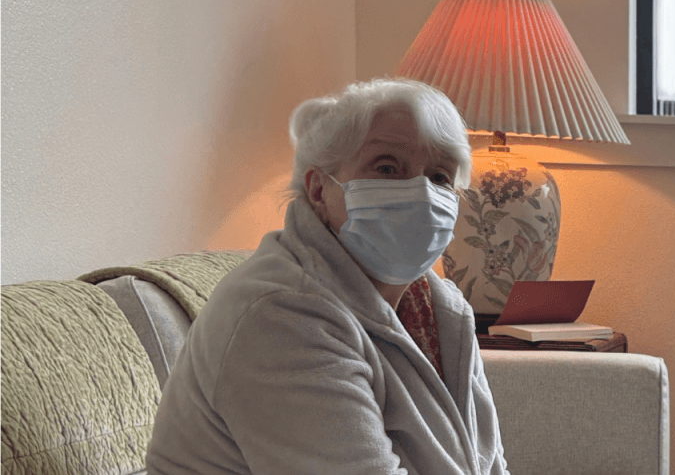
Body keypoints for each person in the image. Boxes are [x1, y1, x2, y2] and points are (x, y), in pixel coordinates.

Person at [147, 79, 509, 475]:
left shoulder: (444, 312)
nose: (420, 192)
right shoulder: (282, 313)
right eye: (387, 167)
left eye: (440, 177)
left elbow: (488, 465)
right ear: (319, 190)